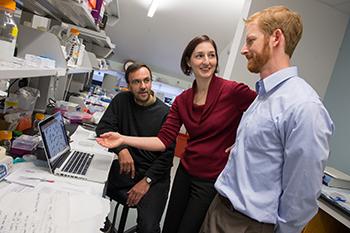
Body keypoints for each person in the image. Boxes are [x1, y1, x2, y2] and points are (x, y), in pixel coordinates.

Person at [97, 35, 256, 233]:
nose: (206, 61)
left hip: (210, 179)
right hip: (185, 173)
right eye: (199, 56)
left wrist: (244, 140)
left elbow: (264, 109)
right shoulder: (183, 100)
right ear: (189, 61)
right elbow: (163, 141)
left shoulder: (232, 91)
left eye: (211, 55)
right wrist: (122, 140)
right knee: (170, 228)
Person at [200, 6, 334, 233]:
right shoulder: (263, 97)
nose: (244, 49)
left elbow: (302, 194)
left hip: (249, 225)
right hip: (220, 209)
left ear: (276, 38)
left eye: (250, 40)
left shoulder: (304, 106)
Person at [96, 63, 174, 233]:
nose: (143, 86)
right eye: (137, 82)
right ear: (129, 86)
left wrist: (146, 181)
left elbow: (167, 157)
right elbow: (103, 129)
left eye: (147, 80)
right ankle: (107, 227)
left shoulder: (166, 114)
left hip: (154, 176)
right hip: (126, 168)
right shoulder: (121, 100)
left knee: (148, 228)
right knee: (91, 194)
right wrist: (122, 149)